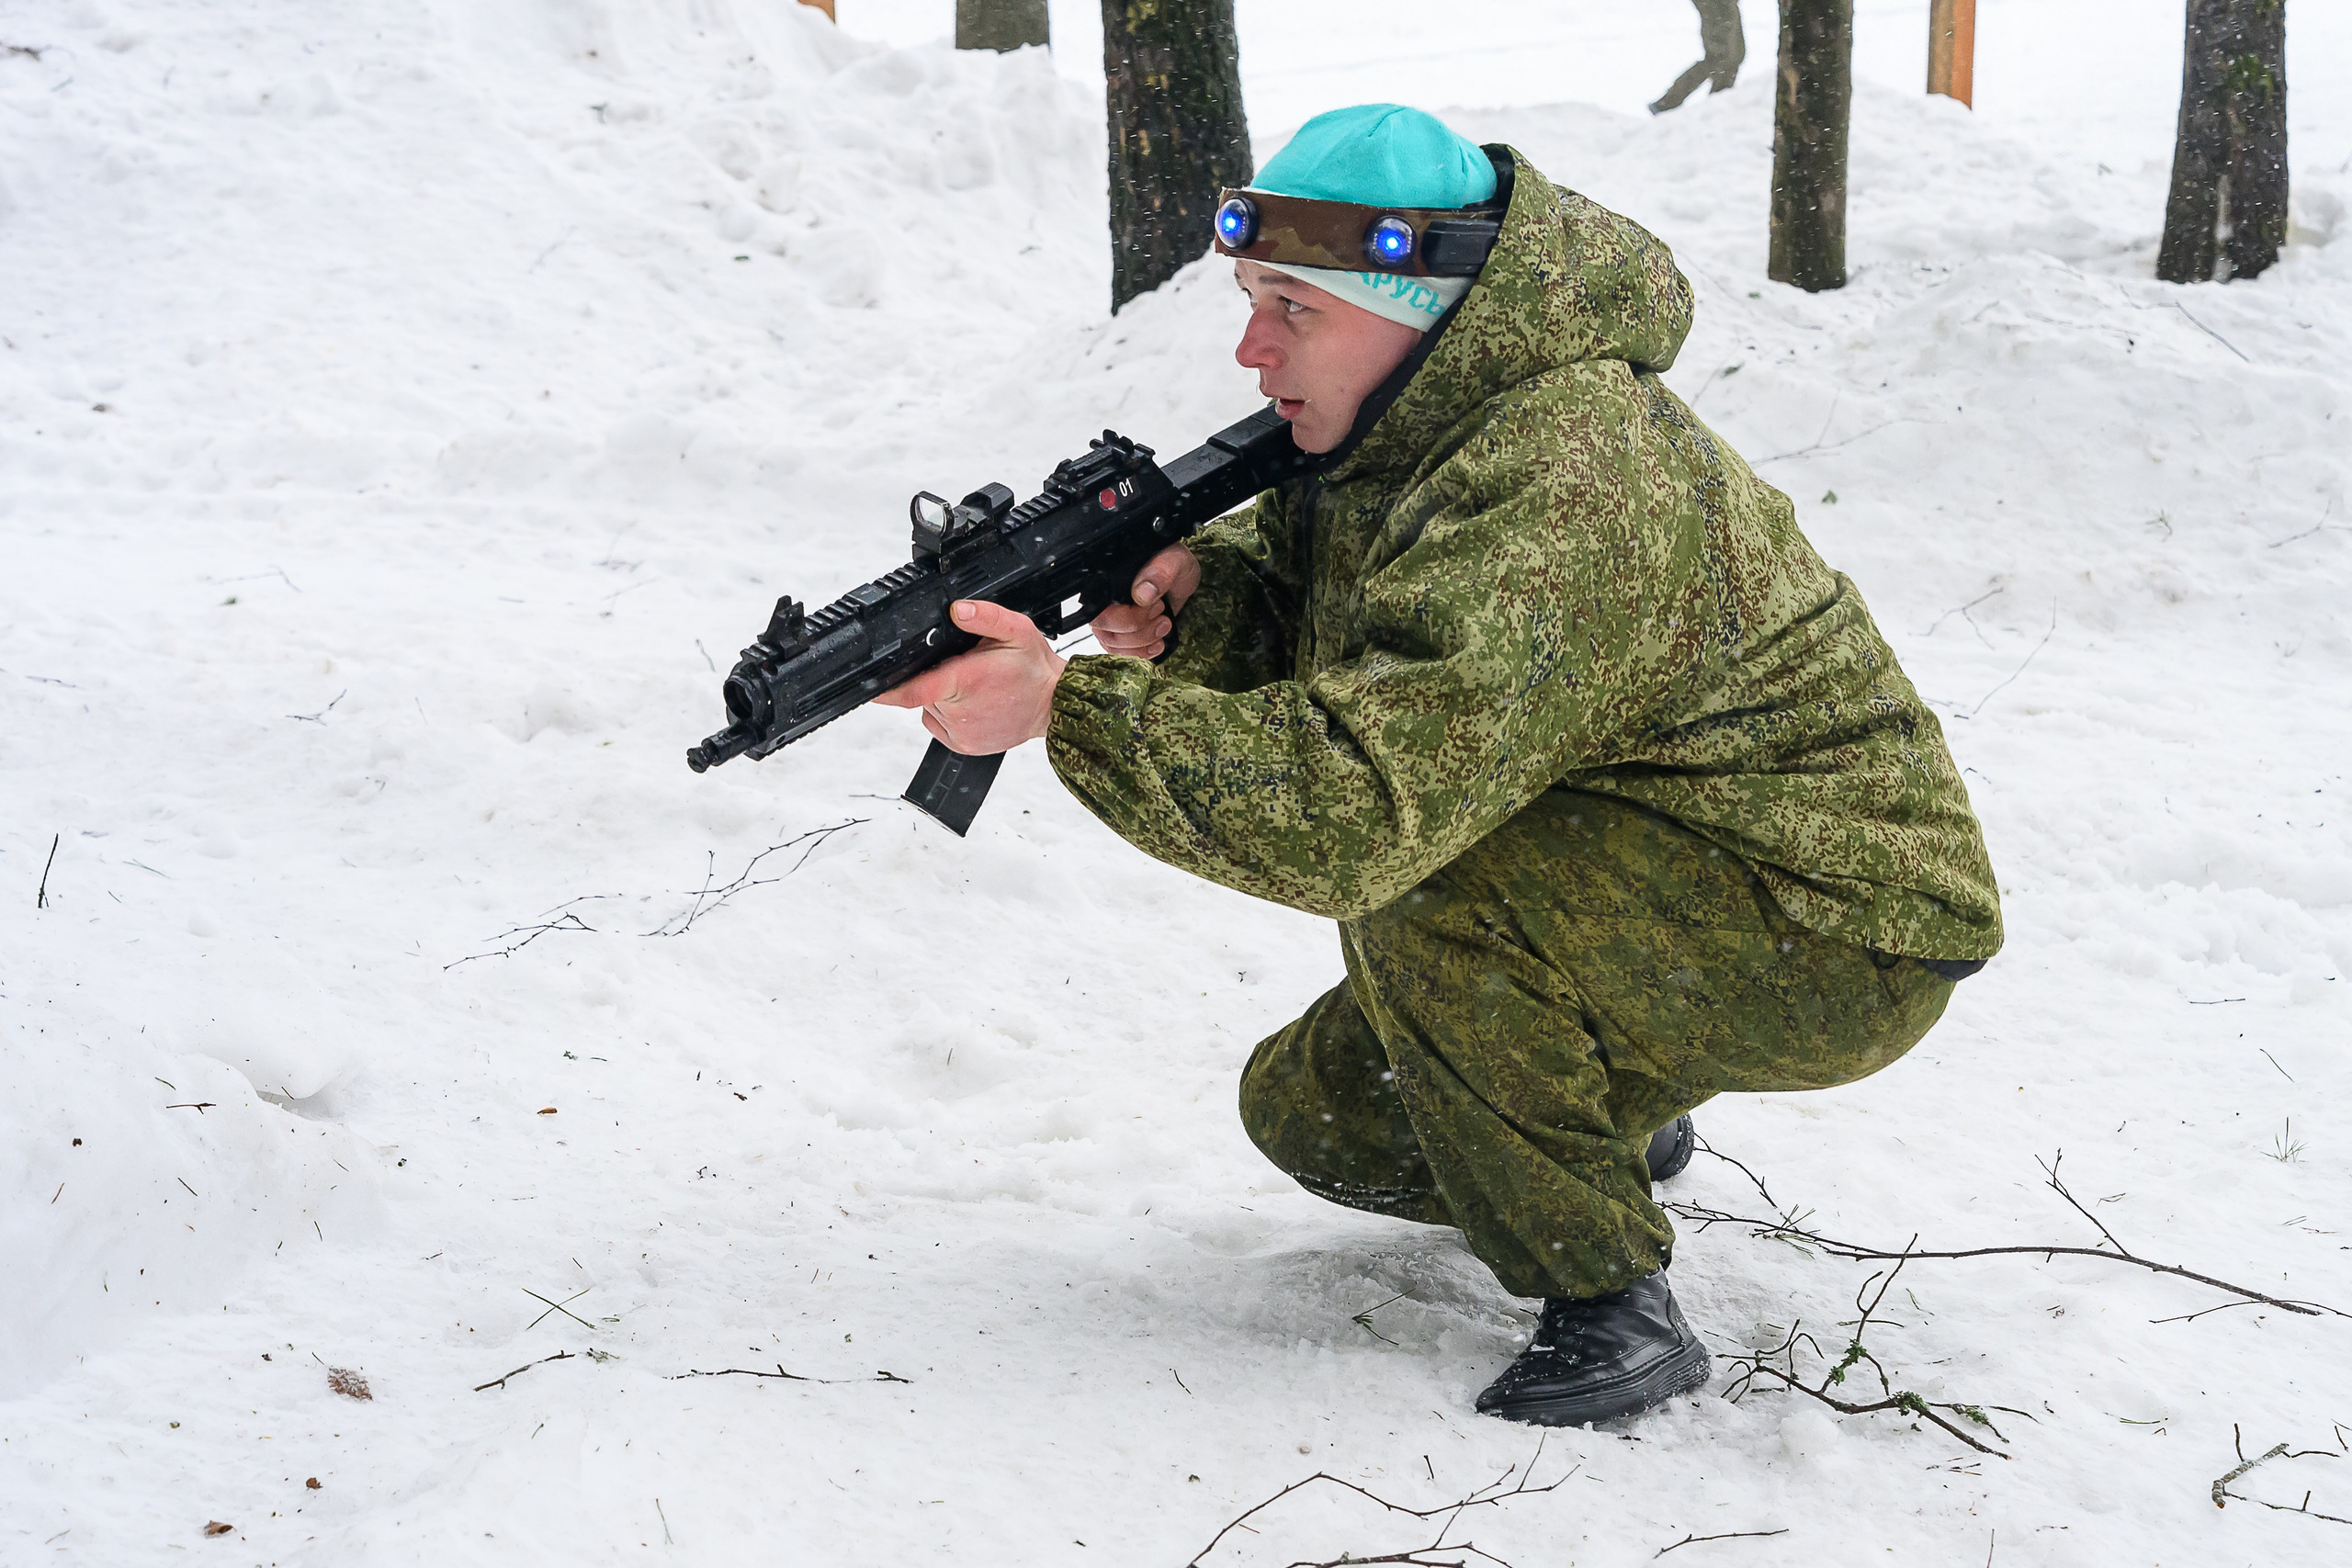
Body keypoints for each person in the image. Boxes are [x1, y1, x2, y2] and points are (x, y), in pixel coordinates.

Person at [874, 105, 2000, 1427]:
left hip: (1837, 923)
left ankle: (1610, 1305)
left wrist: (1068, 710)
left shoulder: (1567, 466)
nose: (1251, 349)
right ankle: (1609, 1119)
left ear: (1425, 308)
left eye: (1294, 310)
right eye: (1251, 302)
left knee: (1427, 873)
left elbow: (1356, 812)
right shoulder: (1409, 424)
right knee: (1326, 1117)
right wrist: (1207, 604)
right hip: (1650, 864)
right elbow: (1374, 634)